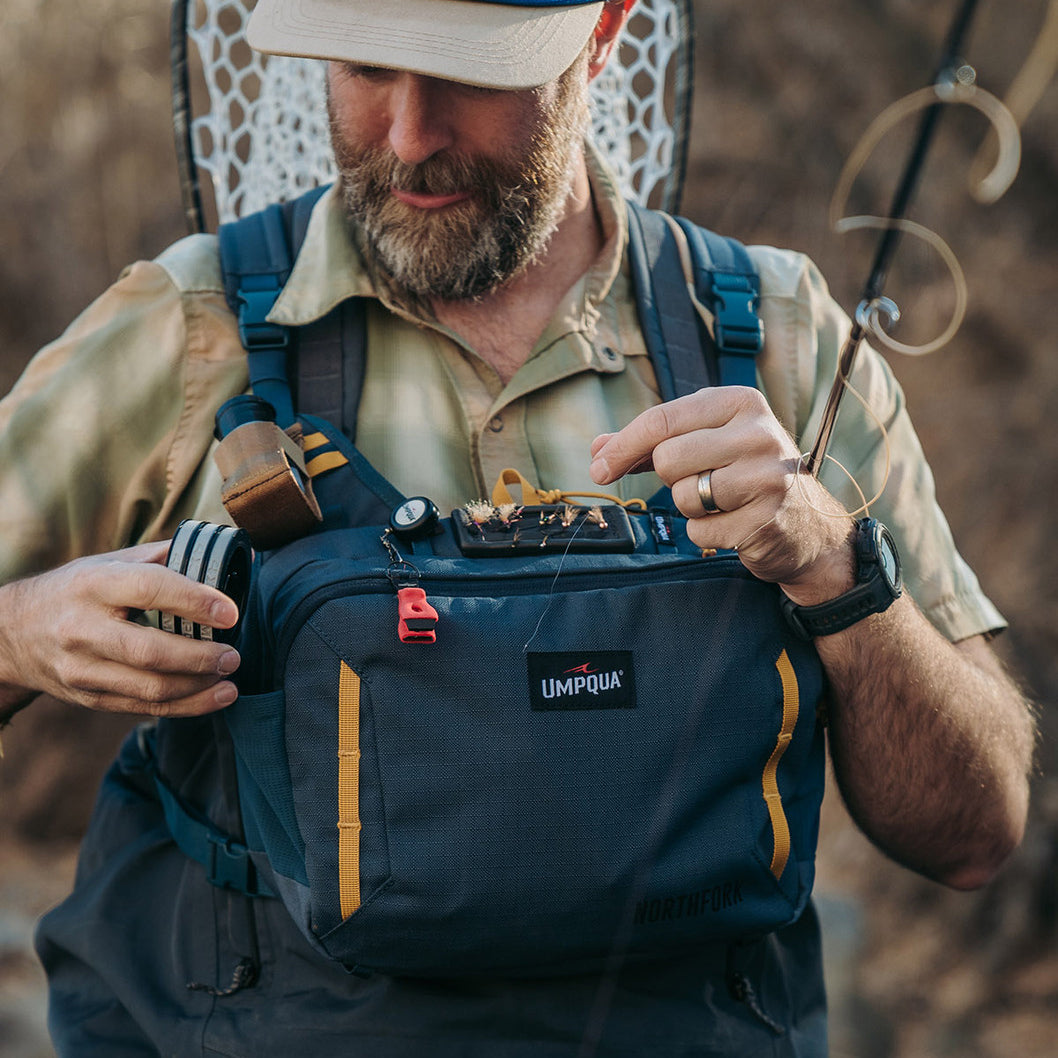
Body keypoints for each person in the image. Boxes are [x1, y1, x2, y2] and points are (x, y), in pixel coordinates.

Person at [0, 1, 1036, 1054]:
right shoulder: (186, 326)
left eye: (469, 74)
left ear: (604, 35)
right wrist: (19, 629)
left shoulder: (779, 336)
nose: (408, 134)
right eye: (364, 69)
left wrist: (835, 570)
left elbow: (971, 831)